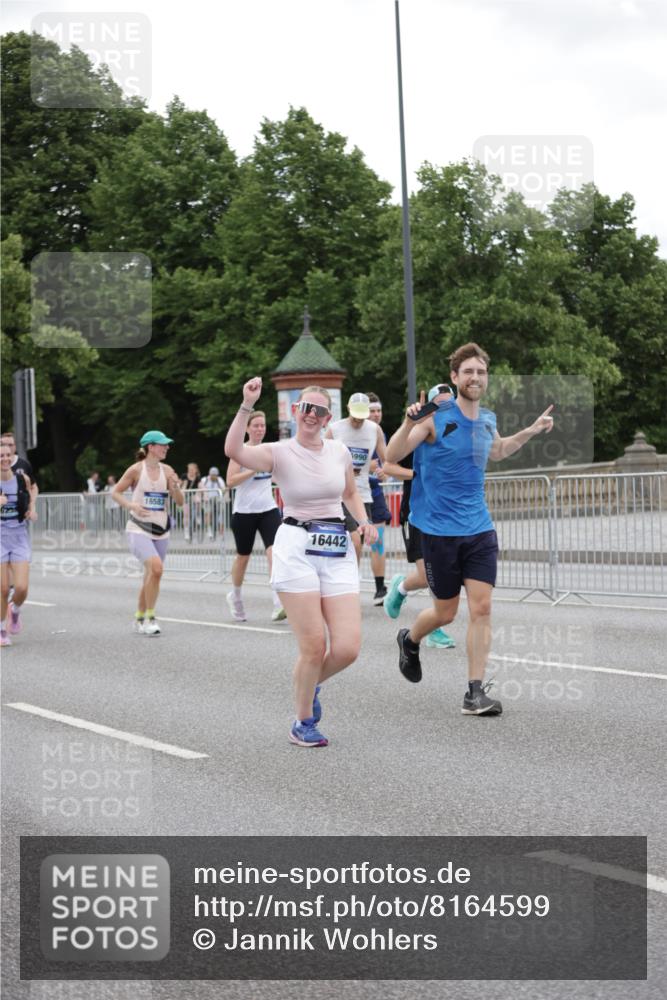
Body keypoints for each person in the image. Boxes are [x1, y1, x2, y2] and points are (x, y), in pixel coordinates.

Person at [386, 343, 554, 716]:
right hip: (438, 531)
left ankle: (474, 693)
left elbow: (497, 451)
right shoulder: (434, 416)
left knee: (482, 608)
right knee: (445, 614)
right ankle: (410, 640)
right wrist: (409, 421)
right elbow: (392, 457)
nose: (474, 378)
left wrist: (531, 430)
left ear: (486, 377)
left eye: (480, 372)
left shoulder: (488, 419)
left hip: (478, 528)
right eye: (468, 372)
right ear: (454, 377)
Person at [225, 379, 378, 747]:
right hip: (295, 545)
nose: (311, 414)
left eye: (319, 410)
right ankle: (303, 721)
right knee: (313, 646)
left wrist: (364, 522)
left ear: (328, 418)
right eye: (305, 408)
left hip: (336, 546)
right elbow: (233, 449)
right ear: (296, 412)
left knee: (347, 648)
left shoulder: (339, 451)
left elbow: (351, 492)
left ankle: (310, 685)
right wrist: (247, 404)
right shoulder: (279, 452)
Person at [384, 385, 456, 649]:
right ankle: (404, 591)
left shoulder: (454, 434)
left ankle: (405, 591)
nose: (445, 409)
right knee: (428, 574)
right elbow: (388, 464)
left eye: (450, 404)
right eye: (438, 404)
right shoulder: (415, 435)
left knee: (443, 572)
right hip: (417, 513)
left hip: (445, 514)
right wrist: (417, 475)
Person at [112, 430, 183, 635]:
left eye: (167, 444)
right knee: (157, 569)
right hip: (138, 528)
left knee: (152, 575)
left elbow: (179, 502)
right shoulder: (135, 470)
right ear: (151, 447)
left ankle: (139, 618)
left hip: (161, 529)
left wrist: (176, 486)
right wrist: (131, 505)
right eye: (163, 444)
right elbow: (115, 492)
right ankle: (151, 618)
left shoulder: (168, 470)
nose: (167, 447)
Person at [225, 410, 285, 623]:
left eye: (262, 425)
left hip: (268, 509)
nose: (260, 429)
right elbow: (230, 481)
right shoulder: (240, 451)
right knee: (243, 557)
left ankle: (278, 602)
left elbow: (279, 474)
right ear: (248, 428)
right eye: (256, 425)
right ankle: (236, 595)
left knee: (274, 553)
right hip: (244, 512)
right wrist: (251, 469)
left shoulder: (270, 450)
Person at [325, 392, 387, 569]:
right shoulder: (335, 429)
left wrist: (385, 471)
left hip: (362, 495)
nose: (358, 421)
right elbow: (321, 457)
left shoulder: (374, 430)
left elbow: (388, 458)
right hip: (340, 495)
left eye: (362, 416)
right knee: (353, 541)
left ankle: (351, 580)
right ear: (348, 410)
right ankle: (349, 580)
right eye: (355, 416)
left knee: (356, 544)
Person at [1, 441, 37, 646]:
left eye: (8, 455)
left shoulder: (21, 478)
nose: (5, 459)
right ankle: (1, 630)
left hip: (19, 536)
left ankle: (14, 611)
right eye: (1, 456)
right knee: (3, 589)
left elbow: (31, 492)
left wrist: (31, 509)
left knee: (21, 588)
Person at [366, 393, 393, 605]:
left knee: (378, 542)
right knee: (354, 544)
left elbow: (386, 463)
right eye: (372, 411)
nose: (376, 415)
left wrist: (384, 472)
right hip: (353, 495)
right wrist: (367, 468)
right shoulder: (349, 431)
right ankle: (346, 588)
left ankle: (379, 589)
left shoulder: (379, 433)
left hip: (375, 494)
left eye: (378, 411)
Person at [199, 466, 225, 540]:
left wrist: (218, 483)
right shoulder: (204, 479)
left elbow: (223, 490)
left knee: (221, 513)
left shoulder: (219, 480)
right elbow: (200, 489)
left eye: (215, 475)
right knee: (208, 513)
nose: (213, 476)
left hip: (217, 499)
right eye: (212, 475)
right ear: (209, 474)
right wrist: (203, 496)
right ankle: (209, 529)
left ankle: (221, 531)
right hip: (207, 499)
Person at [180, 462, 202, 541]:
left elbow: (201, 486)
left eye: (192, 469)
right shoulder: (184, 476)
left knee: (197, 499)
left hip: (194, 496)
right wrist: (184, 485)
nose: (191, 471)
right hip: (185, 496)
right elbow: (180, 486)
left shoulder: (197, 477)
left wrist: (203, 492)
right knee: (186, 515)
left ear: (196, 470)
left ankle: (198, 515)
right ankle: (186, 531)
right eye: (189, 469)